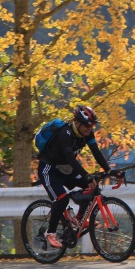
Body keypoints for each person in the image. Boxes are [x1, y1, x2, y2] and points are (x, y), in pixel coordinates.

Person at [37, 105, 111, 248]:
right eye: (86, 125)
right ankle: (50, 233)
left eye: (92, 125)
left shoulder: (87, 134)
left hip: (66, 170)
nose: (89, 128)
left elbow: (96, 153)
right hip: (49, 170)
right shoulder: (65, 134)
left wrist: (110, 170)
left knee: (92, 185)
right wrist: (86, 175)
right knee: (62, 199)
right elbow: (71, 158)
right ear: (76, 122)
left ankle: (79, 217)